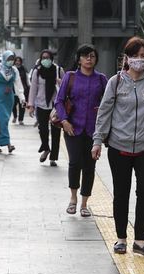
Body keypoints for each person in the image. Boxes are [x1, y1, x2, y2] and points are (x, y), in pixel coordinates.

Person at [91, 37, 144, 257]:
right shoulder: (116, 82)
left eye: (143, 55)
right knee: (121, 193)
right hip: (119, 146)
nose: (140, 60)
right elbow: (104, 112)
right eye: (135, 55)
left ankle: (140, 240)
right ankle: (121, 239)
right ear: (126, 58)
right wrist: (97, 140)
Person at [54, 44, 107, 218]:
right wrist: (64, 120)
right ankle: (73, 197)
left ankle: (85, 203)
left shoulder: (101, 79)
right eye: (85, 56)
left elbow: (108, 103)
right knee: (75, 162)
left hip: (94, 130)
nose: (89, 59)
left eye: (92, 56)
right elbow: (59, 101)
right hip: (73, 128)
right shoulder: (70, 77)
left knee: (90, 165)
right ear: (79, 59)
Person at [0, 50, 26, 153]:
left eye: (12, 59)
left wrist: (22, 98)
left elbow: (18, 85)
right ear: (4, 59)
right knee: (2, 120)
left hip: (9, 99)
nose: (11, 61)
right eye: (9, 59)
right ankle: (8, 144)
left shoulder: (14, 70)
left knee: (4, 121)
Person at [28, 50, 63, 166]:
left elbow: (67, 85)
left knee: (55, 131)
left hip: (55, 104)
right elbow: (33, 88)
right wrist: (31, 105)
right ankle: (46, 148)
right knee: (42, 129)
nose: (45, 60)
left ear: (52, 59)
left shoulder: (58, 70)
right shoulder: (37, 71)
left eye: (47, 58)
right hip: (41, 103)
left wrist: (60, 82)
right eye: (43, 58)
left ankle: (53, 157)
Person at [12, 56, 30, 125]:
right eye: (16, 61)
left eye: (19, 61)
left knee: (22, 105)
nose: (17, 62)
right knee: (13, 105)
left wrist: (29, 88)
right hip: (13, 90)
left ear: (21, 62)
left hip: (22, 90)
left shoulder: (24, 69)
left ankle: (21, 119)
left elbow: (27, 80)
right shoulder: (12, 69)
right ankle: (15, 116)